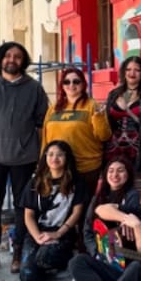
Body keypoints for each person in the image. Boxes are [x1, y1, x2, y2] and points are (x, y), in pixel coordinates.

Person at [0, 42, 48, 275]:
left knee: (23, 207)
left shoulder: (34, 89)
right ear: (0, 60)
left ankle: (19, 253)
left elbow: (42, 126)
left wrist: (42, 158)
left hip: (25, 158)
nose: (12, 60)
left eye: (17, 56)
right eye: (7, 56)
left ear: (23, 61)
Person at [19, 140, 86, 281]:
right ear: (45, 157)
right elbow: (28, 215)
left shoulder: (77, 183)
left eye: (59, 155)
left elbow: (77, 213)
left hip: (62, 233)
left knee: (45, 257)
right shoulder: (35, 182)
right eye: (50, 154)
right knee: (27, 279)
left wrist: (57, 234)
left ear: (66, 158)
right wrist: (37, 237)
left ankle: (61, 259)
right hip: (38, 233)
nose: (54, 158)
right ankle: (41, 266)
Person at [42, 67, 111, 199]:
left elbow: (104, 136)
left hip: (85, 168)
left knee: (82, 207)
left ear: (83, 84)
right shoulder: (54, 108)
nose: (71, 85)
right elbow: (45, 139)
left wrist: (99, 118)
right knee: (60, 206)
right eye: (66, 82)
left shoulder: (92, 105)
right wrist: (43, 162)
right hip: (58, 166)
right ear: (61, 85)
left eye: (76, 81)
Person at [81, 156, 139, 267]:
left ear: (129, 174)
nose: (115, 175)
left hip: (125, 257)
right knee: (77, 263)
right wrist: (96, 254)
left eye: (120, 171)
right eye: (110, 171)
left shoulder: (133, 196)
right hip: (100, 255)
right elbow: (87, 231)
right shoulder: (98, 198)